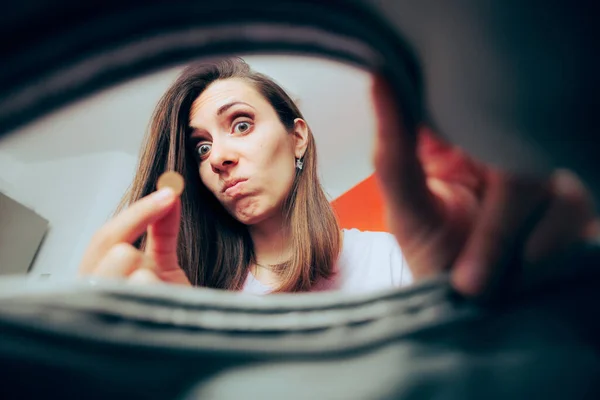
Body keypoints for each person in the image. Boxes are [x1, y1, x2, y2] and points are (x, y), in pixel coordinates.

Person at [79, 58, 597, 297]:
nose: (218, 158)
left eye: (240, 123)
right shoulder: (195, 296)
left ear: (297, 137)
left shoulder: (393, 261)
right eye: (201, 147)